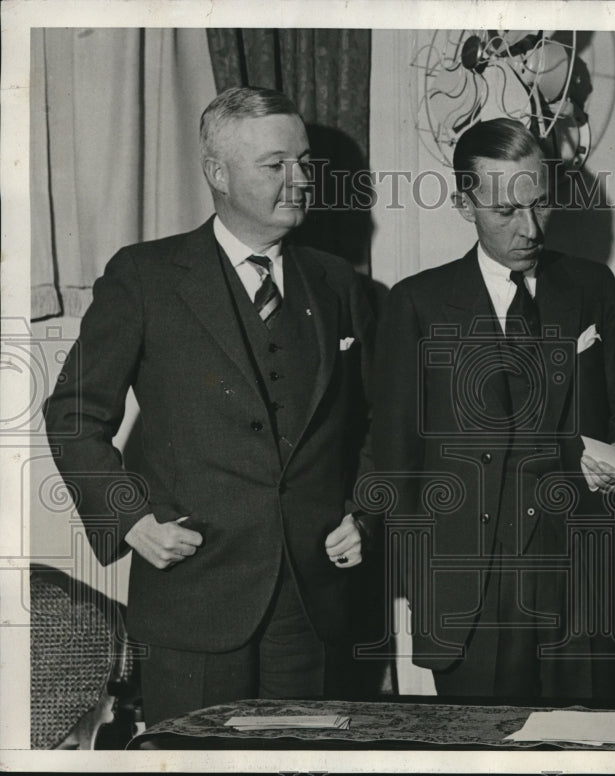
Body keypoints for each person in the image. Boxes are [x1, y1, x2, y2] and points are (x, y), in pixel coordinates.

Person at [44, 86, 380, 723]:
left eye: (304, 162)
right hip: (193, 595)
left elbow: (373, 421)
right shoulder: (144, 276)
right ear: (217, 174)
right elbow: (72, 415)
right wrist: (132, 519)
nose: (300, 179)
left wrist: (363, 513)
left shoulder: (338, 283)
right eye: (275, 164)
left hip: (312, 602)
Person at [371, 118, 615, 698]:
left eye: (541, 204)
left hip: (582, 586)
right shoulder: (416, 304)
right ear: (464, 203)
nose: (529, 229)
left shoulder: (595, 289)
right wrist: (409, 580)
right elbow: (395, 452)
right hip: (468, 596)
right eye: (506, 211)